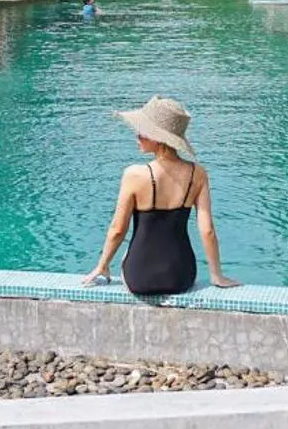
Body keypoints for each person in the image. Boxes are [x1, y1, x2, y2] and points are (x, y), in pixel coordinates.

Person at [83, 95, 238, 297]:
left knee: (127, 257)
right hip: (181, 276)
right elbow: (207, 231)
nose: (136, 137)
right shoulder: (197, 174)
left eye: (141, 133)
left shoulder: (134, 175)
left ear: (157, 138)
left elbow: (117, 230)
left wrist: (102, 266)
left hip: (140, 278)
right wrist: (216, 275)